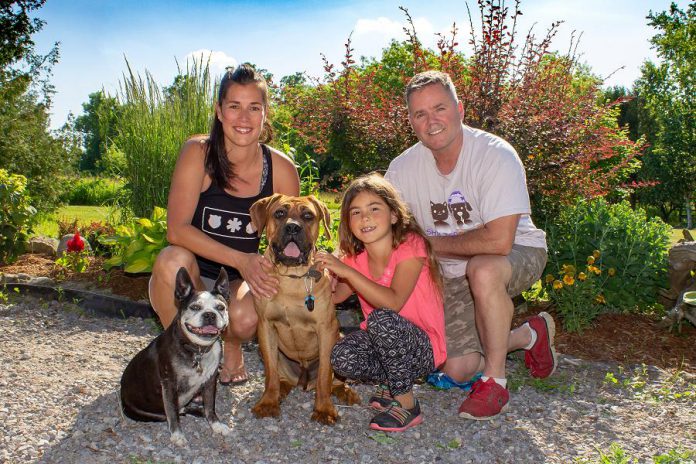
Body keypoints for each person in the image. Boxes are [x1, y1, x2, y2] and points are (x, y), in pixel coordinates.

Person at [384, 70, 555, 420]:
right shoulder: (402, 169)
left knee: (483, 268)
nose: (431, 121)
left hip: (515, 253)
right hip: (447, 272)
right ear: (411, 122)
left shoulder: (495, 155)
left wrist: (429, 244)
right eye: (420, 114)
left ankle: (495, 381)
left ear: (459, 110)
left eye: (439, 108)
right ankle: (527, 335)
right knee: (456, 367)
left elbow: (498, 240)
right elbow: (384, 232)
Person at [149, 64, 300, 386]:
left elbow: (289, 240)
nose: (244, 119)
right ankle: (184, 355)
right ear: (219, 111)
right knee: (171, 259)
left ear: (265, 113)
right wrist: (241, 259)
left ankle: (231, 345)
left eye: (253, 108)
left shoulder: (282, 171)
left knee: (245, 318)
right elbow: (176, 230)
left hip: (234, 281)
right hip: (190, 276)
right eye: (234, 106)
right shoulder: (199, 153)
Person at [315, 173, 446, 432]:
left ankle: (407, 404)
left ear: (394, 215)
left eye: (374, 209)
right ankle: (391, 383)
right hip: (385, 343)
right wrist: (324, 279)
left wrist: (348, 271)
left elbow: (393, 303)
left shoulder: (411, 246)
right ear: (348, 223)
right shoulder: (355, 259)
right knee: (342, 357)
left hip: (423, 347)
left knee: (381, 319)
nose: (365, 218)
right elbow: (334, 298)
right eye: (356, 212)